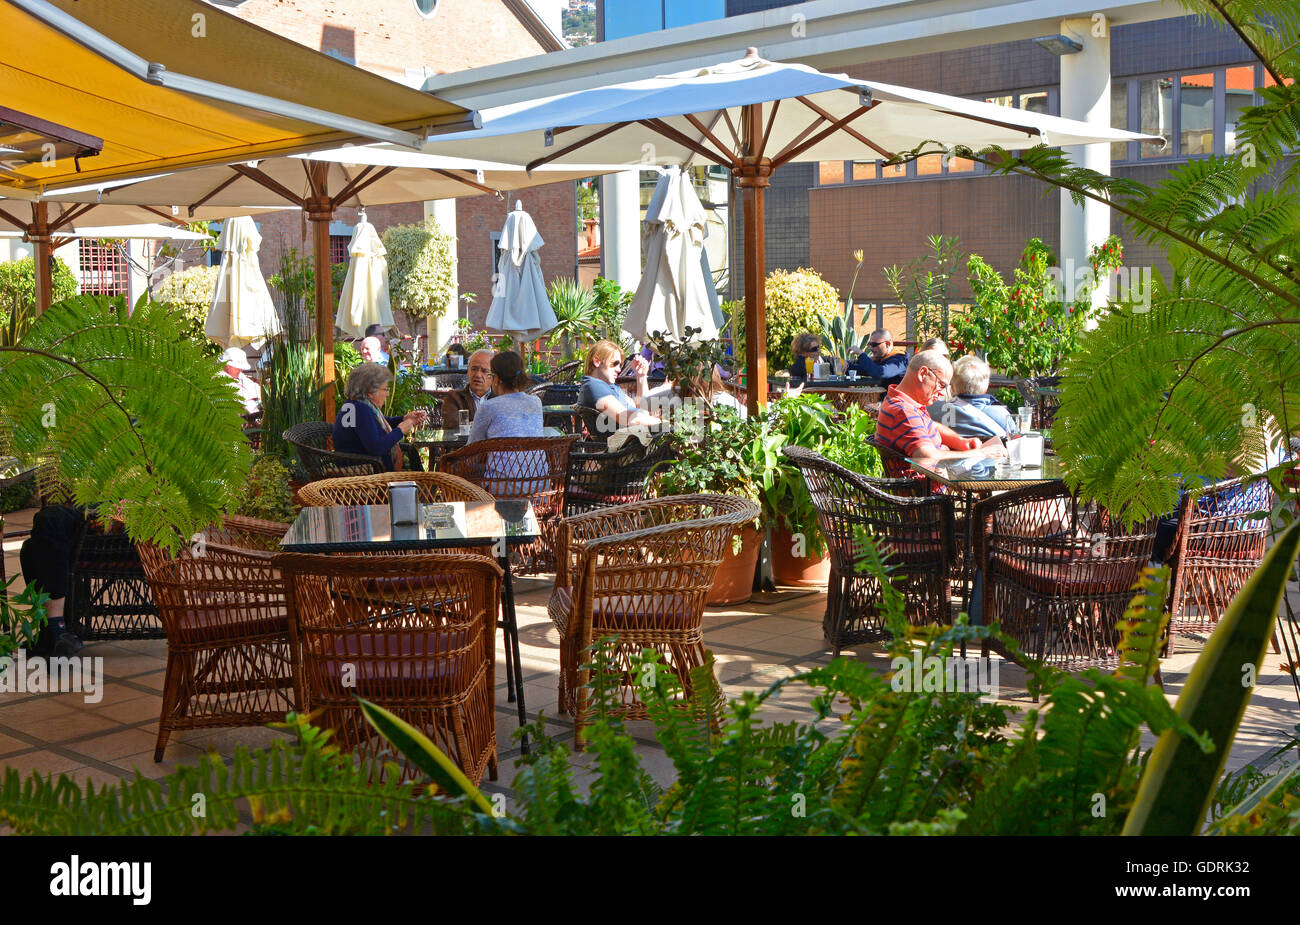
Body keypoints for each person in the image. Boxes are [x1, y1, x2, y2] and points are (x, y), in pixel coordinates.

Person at [877, 350, 1007, 468]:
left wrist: (962, 442)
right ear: (923, 374)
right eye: (941, 385)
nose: (942, 393)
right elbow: (928, 456)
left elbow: (931, 425)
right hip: (929, 490)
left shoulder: (905, 401)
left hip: (937, 482)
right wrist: (981, 453)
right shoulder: (903, 411)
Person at [333, 362, 427, 471]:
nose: (388, 394)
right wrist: (400, 431)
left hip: (361, 468)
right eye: (385, 389)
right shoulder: (360, 410)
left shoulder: (354, 405)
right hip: (365, 475)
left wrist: (404, 419)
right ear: (370, 391)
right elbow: (377, 448)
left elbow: (371, 425)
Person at [20, 504, 86, 658]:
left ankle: (55, 629)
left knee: (49, 520)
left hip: (114, 508)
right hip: (91, 504)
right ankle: (55, 630)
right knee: (30, 548)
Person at [578, 340, 660, 435]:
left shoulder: (610, 387)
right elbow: (626, 418)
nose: (619, 369)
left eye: (620, 365)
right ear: (597, 361)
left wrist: (641, 376)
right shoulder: (593, 385)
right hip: (629, 443)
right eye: (614, 364)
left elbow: (642, 409)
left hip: (639, 437)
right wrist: (661, 424)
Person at [927, 355, 1018, 440]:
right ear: (986, 387)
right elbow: (1014, 441)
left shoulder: (934, 412)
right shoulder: (1001, 415)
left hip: (947, 456)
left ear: (952, 387)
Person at [468, 351, 544, 442]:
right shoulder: (536, 402)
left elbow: (473, 445)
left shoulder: (488, 407)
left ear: (497, 379)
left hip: (501, 457)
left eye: (490, 375)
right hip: (535, 456)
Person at [441, 349, 494, 428]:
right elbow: (452, 427)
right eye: (474, 369)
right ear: (468, 371)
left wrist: (471, 425)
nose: (478, 375)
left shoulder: (500, 398)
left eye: (484, 371)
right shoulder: (454, 398)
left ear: (493, 375)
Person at [221, 347, 260, 415]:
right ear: (227, 366)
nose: (241, 370)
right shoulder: (219, 379)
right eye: (238, 368)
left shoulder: (240, 376)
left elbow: (257, 390)